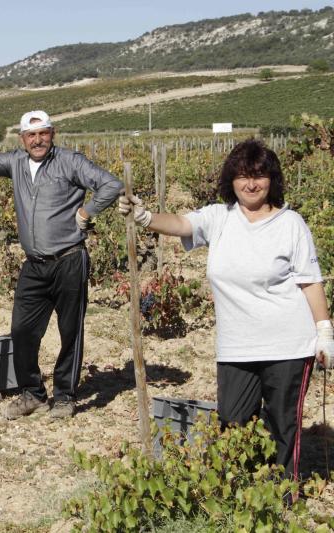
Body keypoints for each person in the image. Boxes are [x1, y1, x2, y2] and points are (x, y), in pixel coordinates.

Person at [118, 138, 334, 481]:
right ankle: (241, 491)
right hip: (237, 345)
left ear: (272, 180)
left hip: (288, 345)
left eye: (260, 176)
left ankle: (282, 495)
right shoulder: (219, 218)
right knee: (233, 420)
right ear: (231, 180)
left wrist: (324, 330)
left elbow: (310, 282)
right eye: (243, 175)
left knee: (283, 424)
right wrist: (145, 217)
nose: (251, 183)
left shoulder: (291, 224)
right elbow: (180, 224)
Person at [0, 110, 124, 419]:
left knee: (70, 331)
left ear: (53, 134)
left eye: (43, 133)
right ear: (23, 139)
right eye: (31, 135)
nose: (38, 140)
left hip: (69, 259)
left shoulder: (70, 162)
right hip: (34, 264)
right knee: (22, 330)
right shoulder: (16, 163)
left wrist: (87, 212)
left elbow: (111, 184)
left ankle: (65, 396)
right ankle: (34, 394)